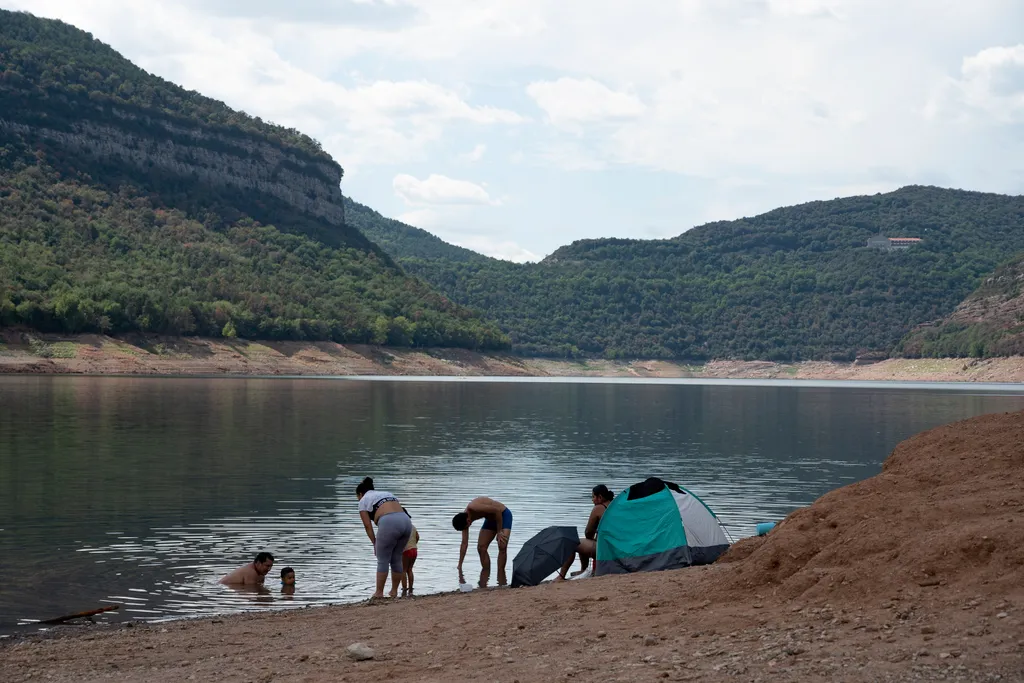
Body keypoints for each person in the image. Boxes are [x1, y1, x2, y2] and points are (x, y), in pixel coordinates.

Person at [356, 477, 413, 599]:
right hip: (406, 521)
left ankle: (379, 593)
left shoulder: (363, 500)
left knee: (383, 559)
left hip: (389, 522)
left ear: (360, 494)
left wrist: (374, 543)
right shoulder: (387, 493)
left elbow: (368, 526)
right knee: (396, 558)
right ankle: (394, 592)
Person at [556, 484, 614, 580]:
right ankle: (584, 569)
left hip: (605, 550)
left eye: (593, 497)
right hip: (617, 548)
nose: (592, 500)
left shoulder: (599, 508)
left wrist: (593, 537)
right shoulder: (615, 506)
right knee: (583, 542)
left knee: (573, 542)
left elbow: (588, 532)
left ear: (600, 497)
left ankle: (561, 576)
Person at [453, 497, 512, 588]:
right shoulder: (464, 521)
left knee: (502, 545)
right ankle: (485, 579)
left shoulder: (474, 507)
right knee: (481, 548)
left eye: (468, 524)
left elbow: (497, 511)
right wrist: (460, 565)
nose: (469, 524)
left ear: (467, 519)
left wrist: (499, 531)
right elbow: (464, 544)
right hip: (491, 520)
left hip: (503, 515)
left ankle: (502, 582)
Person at [400, 508, 420, 597]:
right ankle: (411, 589)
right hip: (414, 550)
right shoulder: (412, 526)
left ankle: (404, 589)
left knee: (403, 570)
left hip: (406, 551)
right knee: (410, 570)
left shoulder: (401, 527)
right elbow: (418, 537)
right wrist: (413, 544)